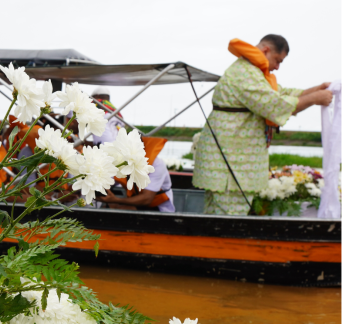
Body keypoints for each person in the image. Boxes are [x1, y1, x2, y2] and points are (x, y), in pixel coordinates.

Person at [192, 34, 332, 215]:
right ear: (266, 50)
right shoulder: (245, 72)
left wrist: (318, 89)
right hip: (230, 161)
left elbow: (281, 93)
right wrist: (314, 99)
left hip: (234, 159)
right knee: (229, 214)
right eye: (277, 60)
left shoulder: (253, 72)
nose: (277, 67)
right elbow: (273, 103)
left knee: (221, 213)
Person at [97, 137, 175, 212]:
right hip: (137, 203)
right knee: (108, 208)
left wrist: (115, 200)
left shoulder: (157, 164)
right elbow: (110, 181)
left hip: (159, 209)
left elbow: (147, 199)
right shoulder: (121, 161)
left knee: (120, 209)